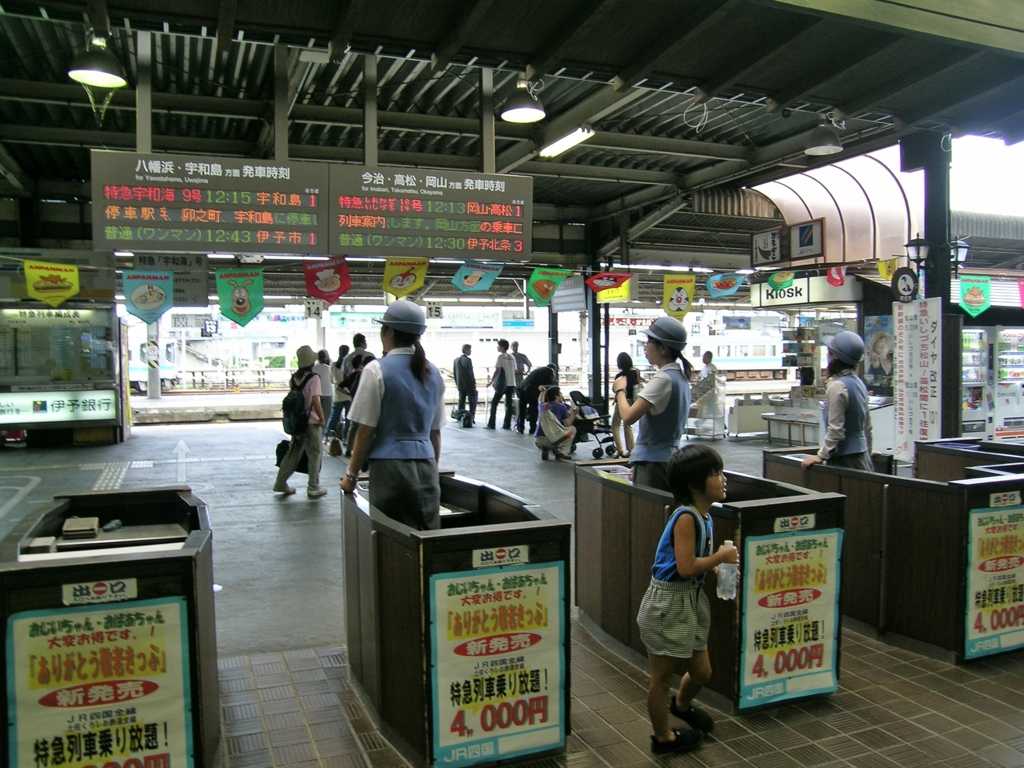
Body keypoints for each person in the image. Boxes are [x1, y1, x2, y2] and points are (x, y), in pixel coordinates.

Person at [637, 444, 737, 754]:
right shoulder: (685, 518)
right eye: (715, 474)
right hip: (668, 603)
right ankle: (663, 738)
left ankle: (681, 705)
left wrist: (718, 566)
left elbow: (696, 563)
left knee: (703, 672)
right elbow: (685, 566)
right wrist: (719, 557)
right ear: (695, 484)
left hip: (690, 599)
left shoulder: (704, 517)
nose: (723, 479)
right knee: (662, 677)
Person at [339, 301, 446, 530]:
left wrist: (351, 476)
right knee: (428, 539)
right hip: (427, 468)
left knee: (393, 542)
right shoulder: (433, 372)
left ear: (388, 332)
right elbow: (435, 432)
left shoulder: (376, 370)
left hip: (390, 471)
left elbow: (366, 431)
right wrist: (432, 470)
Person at [612, 316, 695, 492]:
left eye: (649, 342)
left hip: (654, 464)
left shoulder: (663, 379)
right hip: (665, 458)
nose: (645, 347)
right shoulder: (679, 378)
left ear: (663, 348)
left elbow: (628, 417)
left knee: (649, 515)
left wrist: (620, 390)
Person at [802, 331, 873, 471]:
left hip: (844, 458)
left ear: (833, 357)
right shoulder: (858, 383)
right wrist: (868, 450)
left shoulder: (837, 386)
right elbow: (868, 425)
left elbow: (836, 429)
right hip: (861, 456)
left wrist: (821, 456)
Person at [273, 345, 328, 498]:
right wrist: (322, 419)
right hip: (311, 423)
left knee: (293, 453)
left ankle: (280, 483)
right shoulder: (314, 378)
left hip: (298, 424)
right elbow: (316, 400)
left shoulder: (294, 378)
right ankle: (313, 486)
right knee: (314, 454)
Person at [341, 334, 376, 458]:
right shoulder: (369, 355)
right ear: (362, 343)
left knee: (353, 424)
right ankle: (366, 451)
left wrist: (350, 391)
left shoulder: (347, 358)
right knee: (369, 424)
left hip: (354, 395)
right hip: (369, 395)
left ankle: (350, 449)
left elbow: (344, 376)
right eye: (365, 341)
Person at [535, 386, 578, 460]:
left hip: (538, 440)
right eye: (560, 393)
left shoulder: (543, 406)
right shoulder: (562, 407)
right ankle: (561, 452)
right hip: (552, 440)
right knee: (572, 429)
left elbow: (540, 400)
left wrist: (543, 391)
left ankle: (545, 448)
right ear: (556, 396)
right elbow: (567, 424)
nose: (562, 395)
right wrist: (574, 414)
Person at [612, 352, 642, 458]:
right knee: (628, 425)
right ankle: (631, 449)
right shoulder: (636, 373)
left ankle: (619, 449)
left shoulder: (619, 376)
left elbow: (614, 389)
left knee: (615, 425)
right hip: (632, 401)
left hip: (622, 401)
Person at [517, 363, 558, 434]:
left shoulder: (538, 370)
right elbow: (553, 386)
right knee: (533, 409)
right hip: (531, 390)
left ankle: (520, 427)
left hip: (523, 387)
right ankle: (532, 428)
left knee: (522, 408)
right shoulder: (550, 372)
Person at [487, 339, 518, 430]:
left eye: (499, 346)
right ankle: (507, 424)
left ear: (503, 347)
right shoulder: (512, 357)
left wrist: (491, 381)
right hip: (511, 383)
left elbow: (497, 370)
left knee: (494, 403)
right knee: (508, 405)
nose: (498, 347)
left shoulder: (500, 357)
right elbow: (515, 370)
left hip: (502, 384)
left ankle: (491, 424)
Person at [326, 344, 351, 440]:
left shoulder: (333, 364)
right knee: (348, 418)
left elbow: (331, 379)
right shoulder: (349, 364)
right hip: (348, 394)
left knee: (334, 416)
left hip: (338, 394)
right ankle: (345, 437)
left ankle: (327, 435)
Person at [453, 343, 478, 424]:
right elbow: (471, 373)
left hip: (460, 384)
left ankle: (460, 417)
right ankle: (471, 417)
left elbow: (454, 373)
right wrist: (474, 383)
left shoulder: (456, 360)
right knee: (471, 401)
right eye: (469, 350)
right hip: (468, 384)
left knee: (461, 401)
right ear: (466, 350)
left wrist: (457, 383)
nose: (470, 351)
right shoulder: (468, 360)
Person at [313, 349, 333, 440]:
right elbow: (333, 380)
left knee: (317, 414)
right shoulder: (329, 368)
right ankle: (324, 434)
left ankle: (318, 433)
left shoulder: (314, 368)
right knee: (326, 414)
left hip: (316, 393)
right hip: (328, 393)